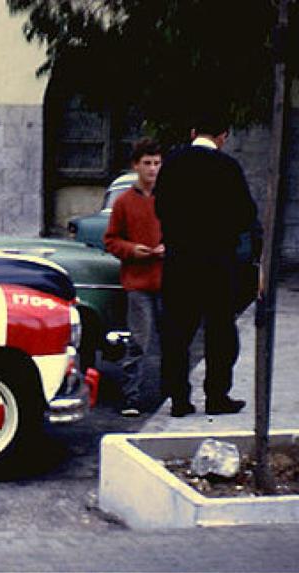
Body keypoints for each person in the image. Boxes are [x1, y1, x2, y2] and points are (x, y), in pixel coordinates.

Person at [154, 107, 260, 417]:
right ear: (223, 136)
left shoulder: (172, 163)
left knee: (177, 333)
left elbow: (160, 207)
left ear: (192, 133)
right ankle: (216, 395)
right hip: (217, 262)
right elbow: (245, 214)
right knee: (220, 332)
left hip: (179, 261)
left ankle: (178, 398)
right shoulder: (227, 167)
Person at [103, 138, 163, 417]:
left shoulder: (170, 197)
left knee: (173, 341)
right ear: (136, 166)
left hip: (168, 281)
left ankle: (173, 394)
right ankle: (131, 396)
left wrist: (169, 247)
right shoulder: (124, 202)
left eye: (157, 163)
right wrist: (131, 250)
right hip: (138, 282)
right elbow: (111, 240)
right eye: (147, 163)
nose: (153, 169)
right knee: (139, 341)